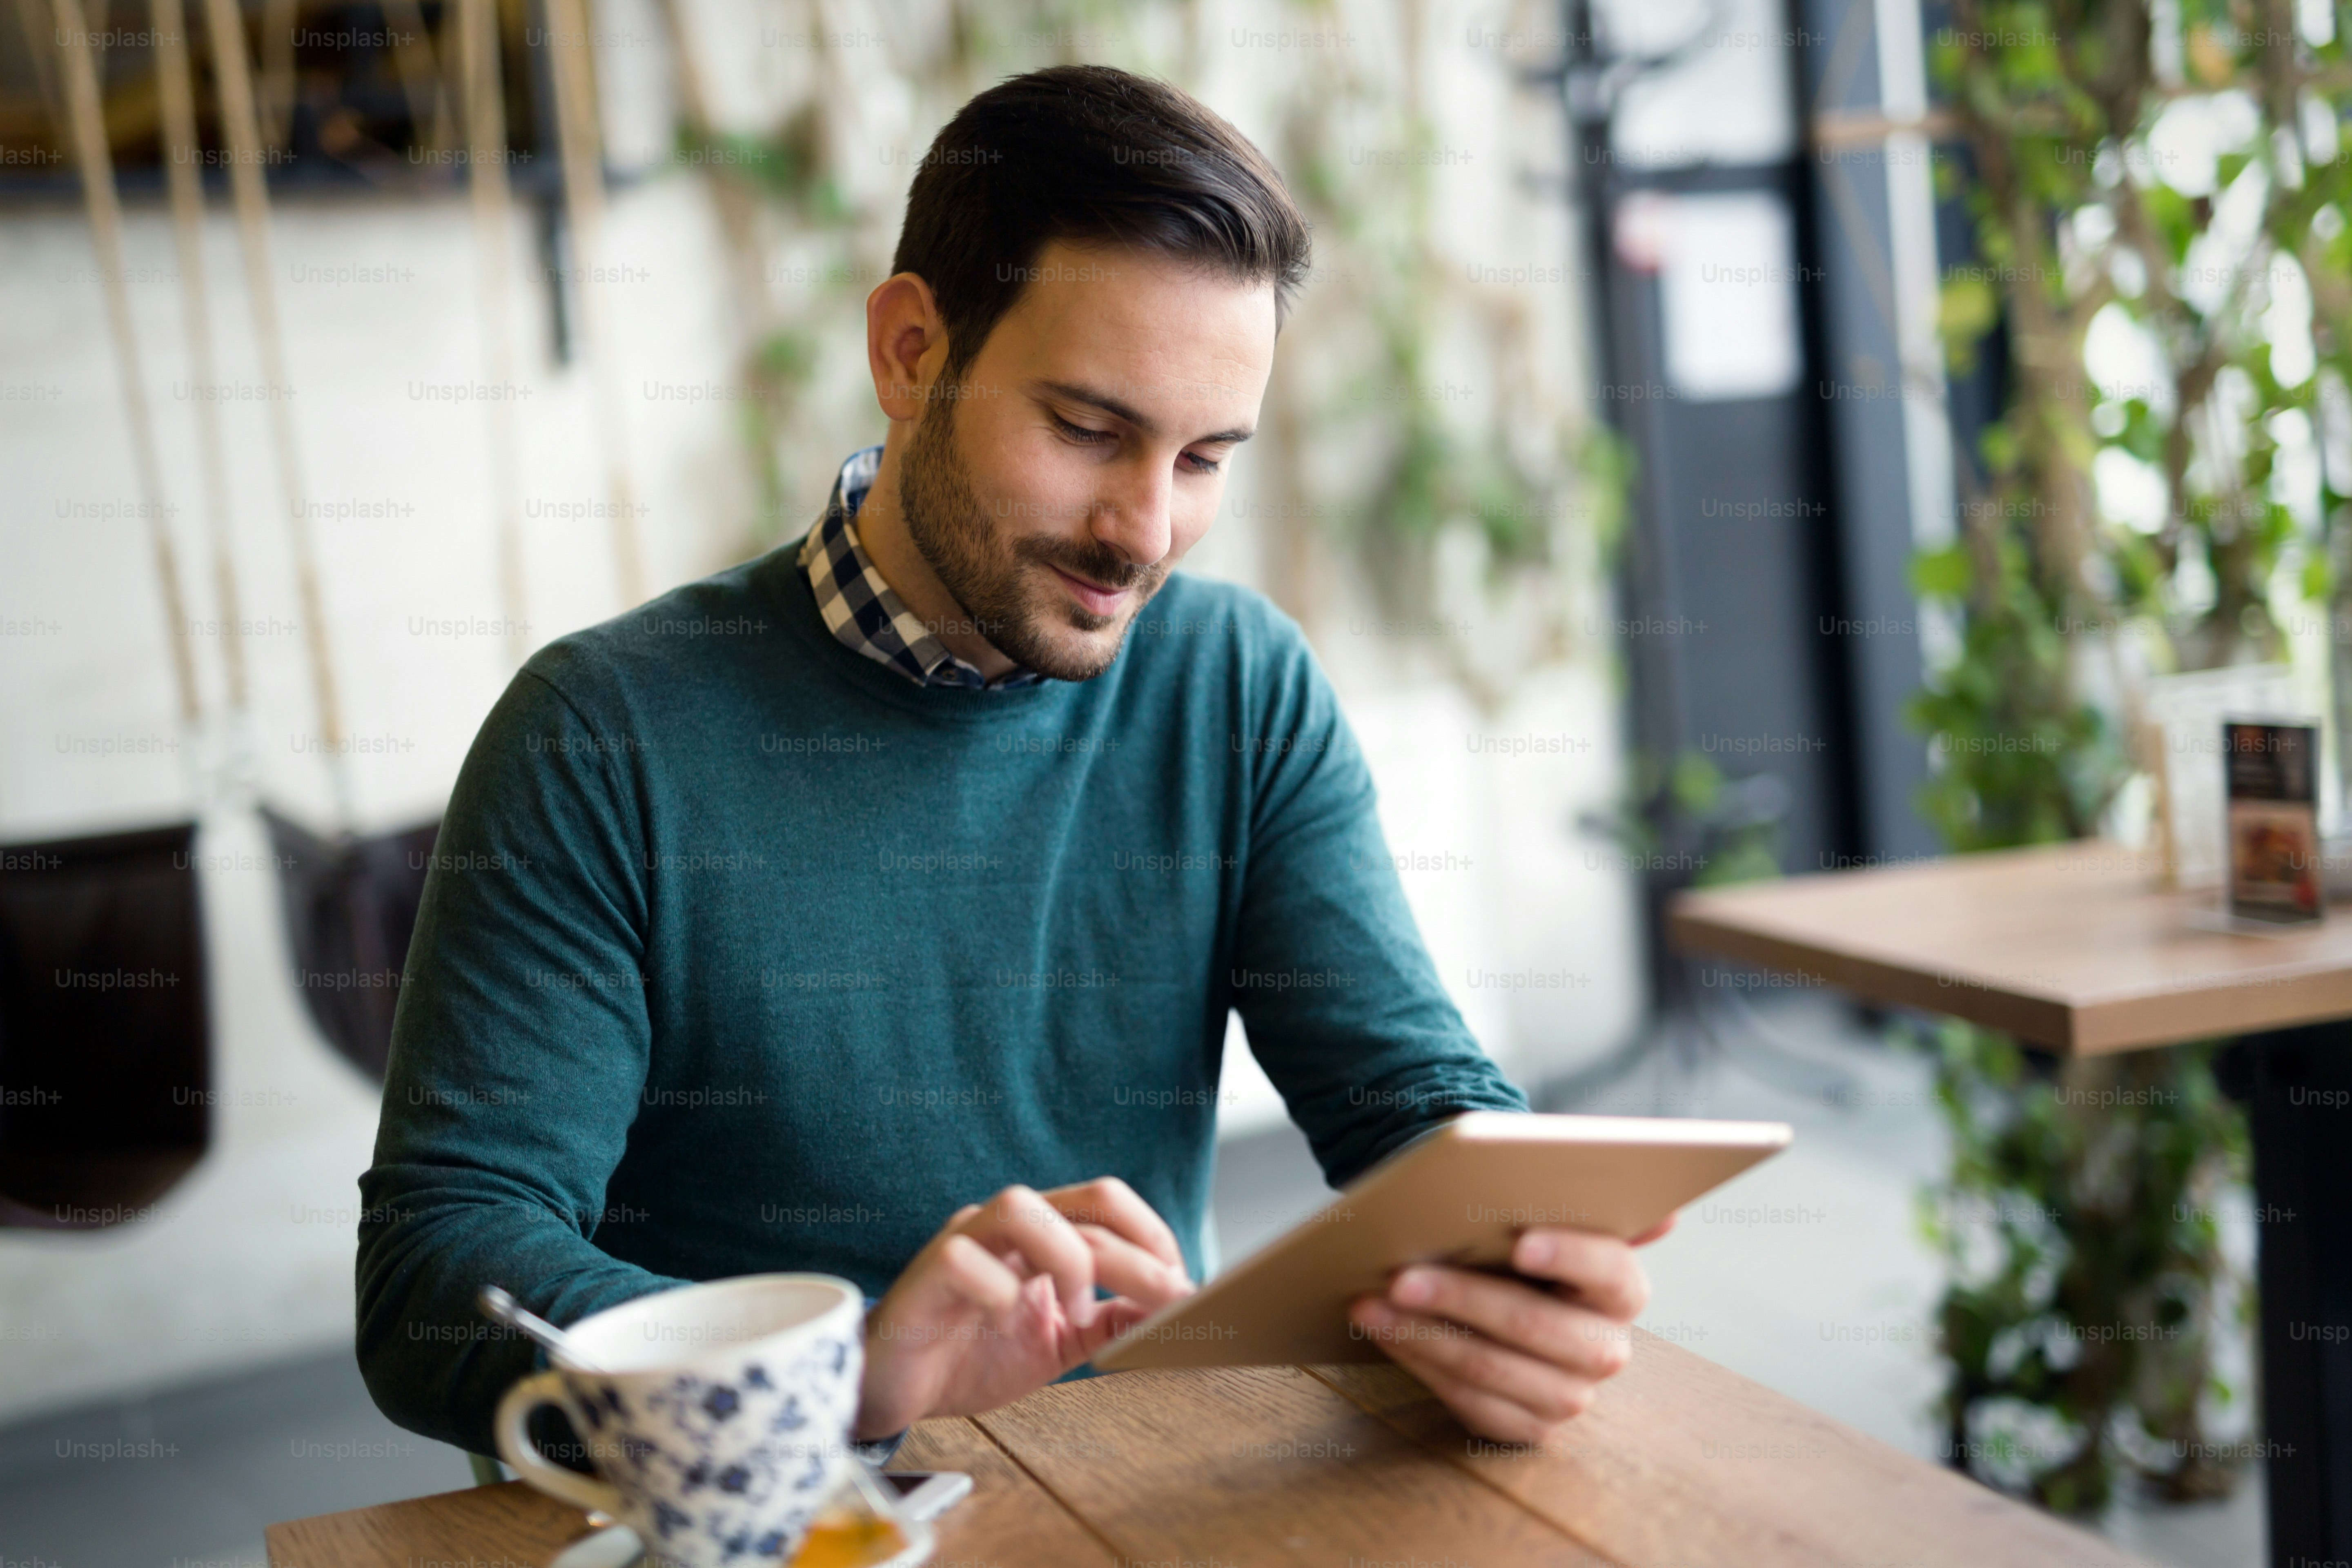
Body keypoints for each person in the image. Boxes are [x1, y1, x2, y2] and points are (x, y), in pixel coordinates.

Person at [356, 63, 1664, 1463]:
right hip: (761, 1525)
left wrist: (1511, 1260)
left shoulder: (1237, 687)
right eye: (1089, 431)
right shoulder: (603, 734)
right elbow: (441, 1276)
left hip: (1128, 1491)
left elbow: (1406, 1096)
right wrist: (844, 1374)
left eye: (1207, 457)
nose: (1145, 530)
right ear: (912, 350)